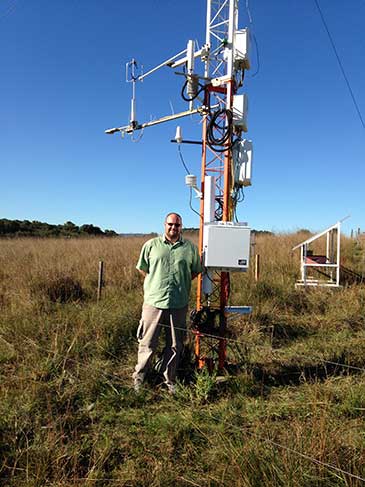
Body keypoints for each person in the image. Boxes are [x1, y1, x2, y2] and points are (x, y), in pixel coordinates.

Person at [133, 212, 202, 393]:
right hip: (154, 302)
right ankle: (140, 377)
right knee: (148, 343)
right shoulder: (151, 245)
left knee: (175, 344)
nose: (173, 228)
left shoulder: (190, 248)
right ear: (164, 225)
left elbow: (194, 271)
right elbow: (143, 269)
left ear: (181, 227)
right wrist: (156, 283)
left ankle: (169, 379)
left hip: (178, 303)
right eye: (170, 224)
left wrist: (180, 284)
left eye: (177, 225)